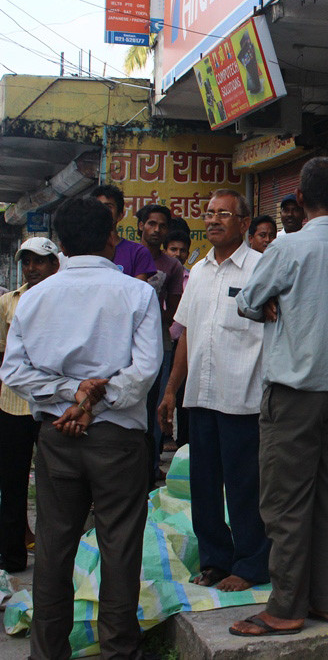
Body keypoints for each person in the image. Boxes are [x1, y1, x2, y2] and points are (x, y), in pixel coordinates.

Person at [0, 197, 161, 659]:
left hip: (57, 435)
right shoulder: (137, 293)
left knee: (53, 548)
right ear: (112, 236)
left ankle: (47, 652)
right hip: (119, 439)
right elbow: (146, 369)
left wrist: (72, 396)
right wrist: (90, 397)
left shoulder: (35, 297)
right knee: (120, 548)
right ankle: (119, 651)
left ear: (63, 244)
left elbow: (14, 372)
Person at [231, 156, 328, 636]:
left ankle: (286, 607)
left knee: (286, 502)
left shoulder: (289, 248)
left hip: (295, 393)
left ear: (302, 201)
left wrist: (267, 301)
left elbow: (248, 300)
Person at [157, 189, 270, 593]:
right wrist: (171, 390)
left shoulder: (261, 268)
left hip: (242, 398)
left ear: (243, 222)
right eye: (209, 213)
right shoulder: (199, 271)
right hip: (199, 399)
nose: (215, 219)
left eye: (225, 213)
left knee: (245, 488)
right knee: (203, 487)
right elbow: (186, 333)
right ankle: (215, 561)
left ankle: (252, 563)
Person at [0, 238, 61, 575]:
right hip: (13, 405)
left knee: (55, 485)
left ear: (54, 264)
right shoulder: (9, 302)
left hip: (52, 404)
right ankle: (12, 555)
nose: (32, 268)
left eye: (39, 262)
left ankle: (54, 557)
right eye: (27, 262)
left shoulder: (64, 299)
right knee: (12, 484)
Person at [137, 204, 186, 482]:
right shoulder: (127, 254)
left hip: (159, 345)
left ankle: (151, 466)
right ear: (141, 225)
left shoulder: (172, 266)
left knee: (155, 406)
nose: (156, 229)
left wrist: (154, 324)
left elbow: (175, 308)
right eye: (151, 223)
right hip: (124, 345)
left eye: (162, 225)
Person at [91, 184, 157, 281]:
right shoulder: (81, 251)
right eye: (98, 206)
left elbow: (139, 292)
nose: (102, 211)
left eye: (108, 207)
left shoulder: (137, 252)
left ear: (120, 215)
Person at [164, 229, 191, 448]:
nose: (178, 254)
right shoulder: (158, 275)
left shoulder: (192, 277)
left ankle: (182, 443)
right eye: (173, 249)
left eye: (182, 250)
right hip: (164, 343)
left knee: (183, 396)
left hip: (184, 343)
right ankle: (163, 437)